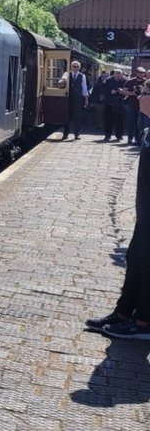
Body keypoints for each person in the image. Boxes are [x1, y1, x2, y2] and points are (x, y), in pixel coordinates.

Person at [86, 95, 150, 339]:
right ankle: (123, 313)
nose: (140, 98)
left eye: (145, 93)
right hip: (144, 212)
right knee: (134, 259)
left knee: (147, 264)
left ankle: (144, 321)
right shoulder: (147, 130)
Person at [58, 60, 89, 140]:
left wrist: (86, 99)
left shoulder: (82, 76)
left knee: (78, 117)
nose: (75, 68)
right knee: (67, 116)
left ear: (79, 68)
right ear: (71, 67)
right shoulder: (67, 74)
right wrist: (62, 81)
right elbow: (61, 81)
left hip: (78, 98)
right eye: (74, 66)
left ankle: (77, 134)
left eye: (77, 67)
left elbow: (84, 88)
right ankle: (65, 134)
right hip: (68, 98)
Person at [123, 67, 147, 144]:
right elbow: (124, 92)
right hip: (131, 104)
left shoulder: (146, 82)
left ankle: (138, 139)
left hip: (142, 105)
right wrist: (132, 93)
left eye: (142, 73)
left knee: (139, 122)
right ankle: (130, 138)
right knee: (130, 121)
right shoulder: (130, 81)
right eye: (139, 72)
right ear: (136, 73)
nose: (141, 74)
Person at [104, 69, 128, 141]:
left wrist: (121, 91)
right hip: (110, 102)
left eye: (119, 75)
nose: (117, 77)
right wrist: (110, 91)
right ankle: (107, 135)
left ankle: (119, 135)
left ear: (122, 75)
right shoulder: (107, 80)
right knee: (108, 120)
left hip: (121, 102)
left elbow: (128, 89)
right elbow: (102, 89)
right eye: (116, 75)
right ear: (113, 74)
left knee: (120, 120)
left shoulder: (126, 80)